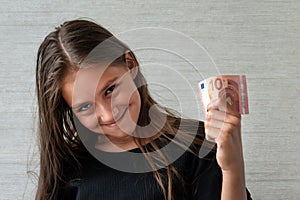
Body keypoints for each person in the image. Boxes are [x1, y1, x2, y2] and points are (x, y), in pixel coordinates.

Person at [35, 19, 252, 200]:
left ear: (130, 64)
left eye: (110, 90)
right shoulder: (68, 168)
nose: (108, 114)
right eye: (85, 106)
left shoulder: (197, 145)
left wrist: (233, 168)